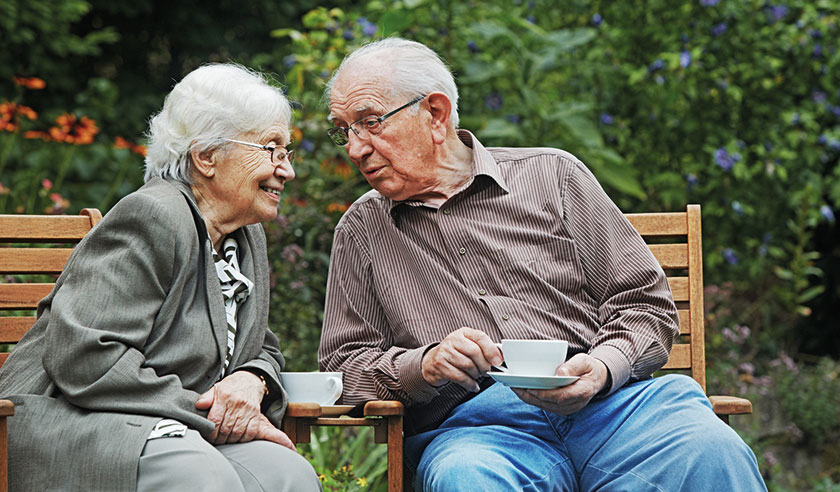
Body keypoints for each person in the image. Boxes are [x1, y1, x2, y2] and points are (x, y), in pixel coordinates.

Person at [318, 38, 767, 491]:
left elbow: (643, 303)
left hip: (615, 411)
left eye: (370, 123)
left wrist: (602, 367)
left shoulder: (554, 176)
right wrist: (424, 365)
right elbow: (342, 368)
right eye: (344, 130)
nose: (356, 149)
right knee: (466, 478)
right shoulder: (363, 231)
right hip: (481, 434)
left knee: (709, 448)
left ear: (435, 114)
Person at [0, 64, 321, 492]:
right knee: (199, 476)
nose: (287, 170)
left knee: (288, 474)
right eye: (269, 148)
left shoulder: (244, 236)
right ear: (205, 156)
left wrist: (254, 378)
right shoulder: (153, 215)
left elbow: (259, 342)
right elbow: (86, 355)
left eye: (286, 152)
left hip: (171, 424)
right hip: (73, 421)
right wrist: (207, 410)